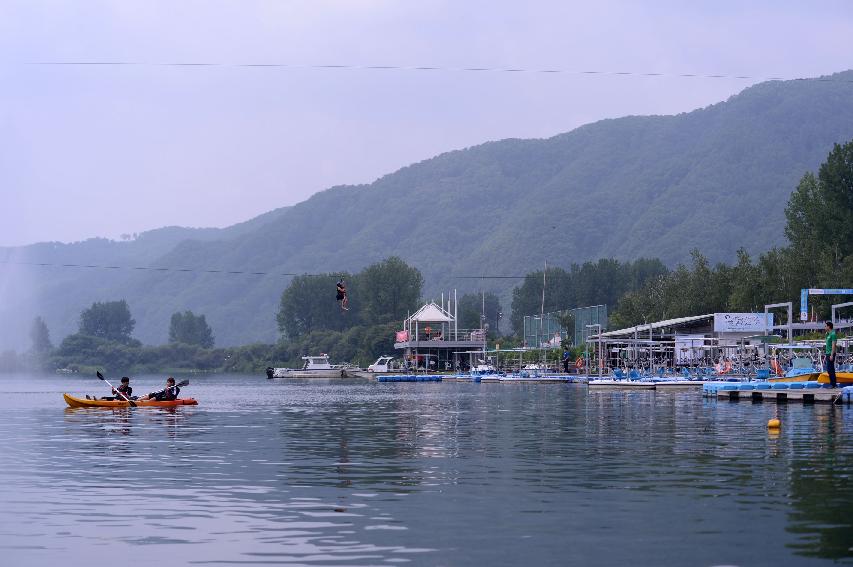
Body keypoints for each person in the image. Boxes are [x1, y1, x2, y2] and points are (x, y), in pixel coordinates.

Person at [825, 321, 838, 388]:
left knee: (830, 369)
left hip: (831, 353)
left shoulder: (833, 334)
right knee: (829, 369)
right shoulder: (827, 334)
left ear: (829, 327)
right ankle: (833, 384)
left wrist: (832, 355)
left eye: (825, 326)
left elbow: (833, 345)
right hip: (827, 353)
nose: (825, 327)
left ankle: (833, 384)